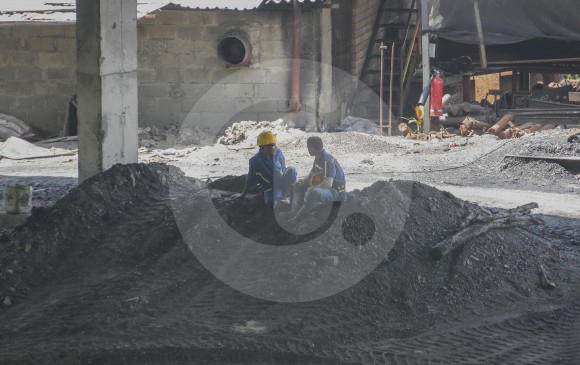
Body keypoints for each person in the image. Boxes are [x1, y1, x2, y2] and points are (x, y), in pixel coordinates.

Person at [281, 136, 347, 223]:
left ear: (312, 148)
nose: (307, 149)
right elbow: (311, 174)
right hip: (329, 188)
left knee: (314, 192)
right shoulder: (318, 157)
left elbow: (328, 184)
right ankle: (294, 211)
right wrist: (302, 181)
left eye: (308, 147)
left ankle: (297, 219)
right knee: (298, 185)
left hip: (337, 191)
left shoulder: (327, 161)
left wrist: (312, 188)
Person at [237, 131, 297, 209]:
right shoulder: (256, 161)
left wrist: (289, 183)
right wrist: (243, 194)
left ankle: (292, 199)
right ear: (265, 148)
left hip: (283, 183)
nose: (276, 147)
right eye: (273, 145)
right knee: (271, 203)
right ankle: (281, 199)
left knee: (291, 170)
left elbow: (283, 166)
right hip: (270, 188)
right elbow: (250, 179)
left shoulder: (278, 152)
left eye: (275, 145)